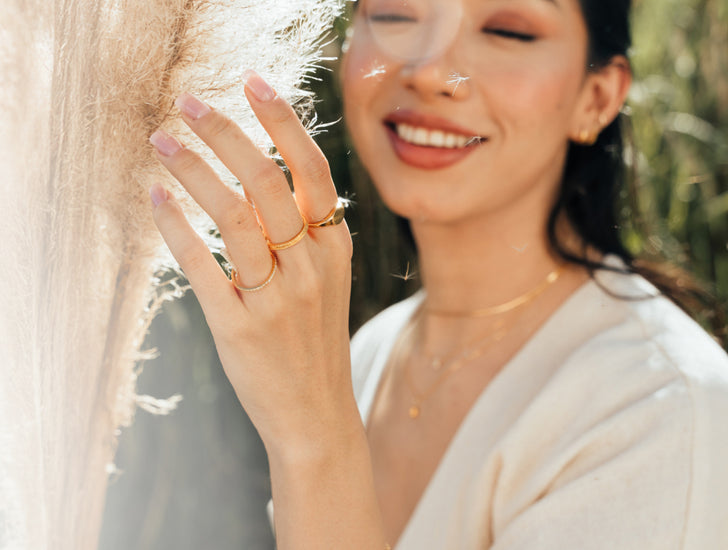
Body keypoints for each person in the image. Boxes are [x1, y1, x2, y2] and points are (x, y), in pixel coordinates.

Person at [143, 0, 728, 547]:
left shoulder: (662, 410)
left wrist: (313, 441)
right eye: (397, 13)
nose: (429, 72)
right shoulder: (371, 353)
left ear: (596, 97)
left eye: (507, 30)